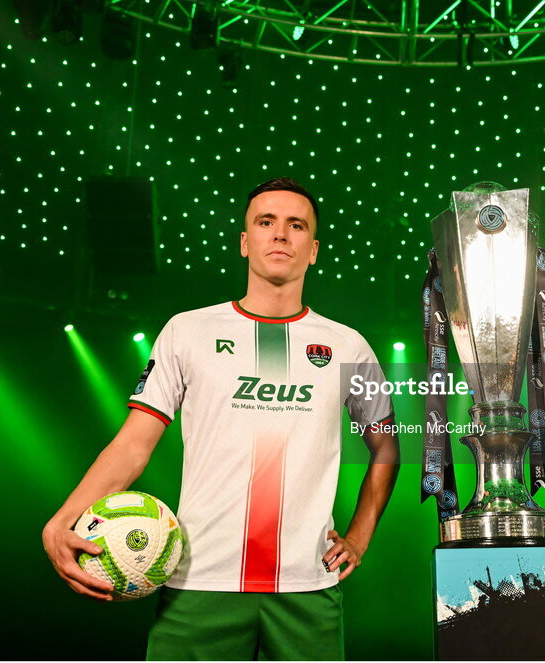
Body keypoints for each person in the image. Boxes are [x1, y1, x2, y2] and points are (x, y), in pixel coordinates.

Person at [42, 177, 400, 660]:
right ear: (244, 241)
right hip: (197, 582)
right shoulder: (187, 331)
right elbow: (133, 445)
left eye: (296, 225)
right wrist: (63, 518)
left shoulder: (349, 345)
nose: (280, 234)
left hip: (307, 586)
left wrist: (358, 537)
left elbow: (388, 447)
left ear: (312, 250)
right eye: (265, 222)